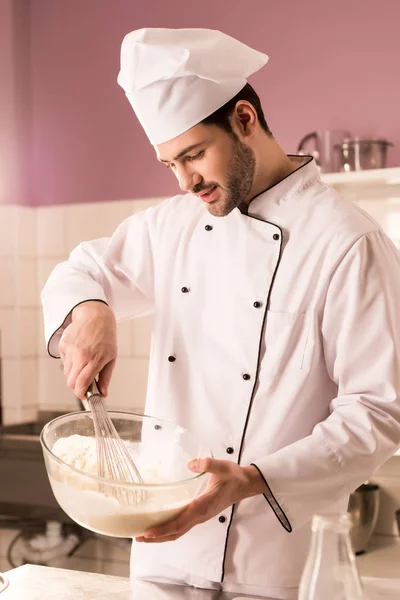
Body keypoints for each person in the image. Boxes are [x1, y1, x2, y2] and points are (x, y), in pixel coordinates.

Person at [41, 28, 400, 600]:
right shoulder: (174, 225)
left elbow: (379, 409)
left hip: (277, 561)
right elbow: (81, 270)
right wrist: (90, 311)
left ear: (244, 119)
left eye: (192, 155)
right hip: (163, 552)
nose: (186, 181)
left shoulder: (348, 243)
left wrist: (254, 480)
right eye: (169, 164)